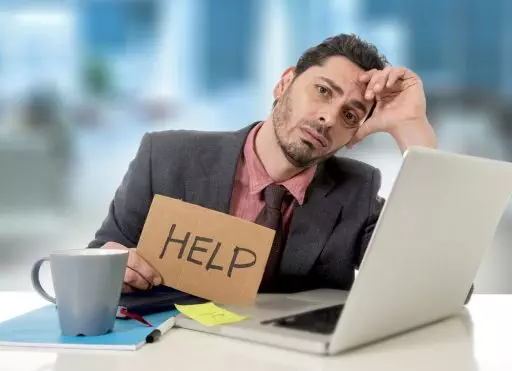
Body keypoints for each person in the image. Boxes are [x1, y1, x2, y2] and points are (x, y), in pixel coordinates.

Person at [88, 33, 437, 294]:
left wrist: (414, 128)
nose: (328, 118)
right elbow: (99, 257)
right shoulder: (164, 157)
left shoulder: (355, 192)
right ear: (284, 83)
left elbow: (433, 283)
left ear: (354, 134)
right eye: (323, 91)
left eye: (349, 115)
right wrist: (110, 268)